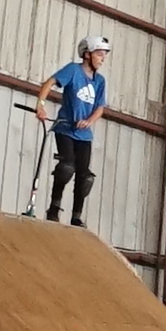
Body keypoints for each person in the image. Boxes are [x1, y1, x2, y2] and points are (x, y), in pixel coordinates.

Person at [33, 33, 114, 227]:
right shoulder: (73, 70)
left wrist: (89, 121)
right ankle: (54, 207)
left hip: (84, 135)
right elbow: (50, 83)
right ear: (87, 54)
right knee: (66, 167)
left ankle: (76, 215)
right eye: (100, 54)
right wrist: (40, 105)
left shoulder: (100, 81)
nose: (103, 59)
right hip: (66, 128)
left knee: (84, 176)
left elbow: (100, 108)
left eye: (104, 55)